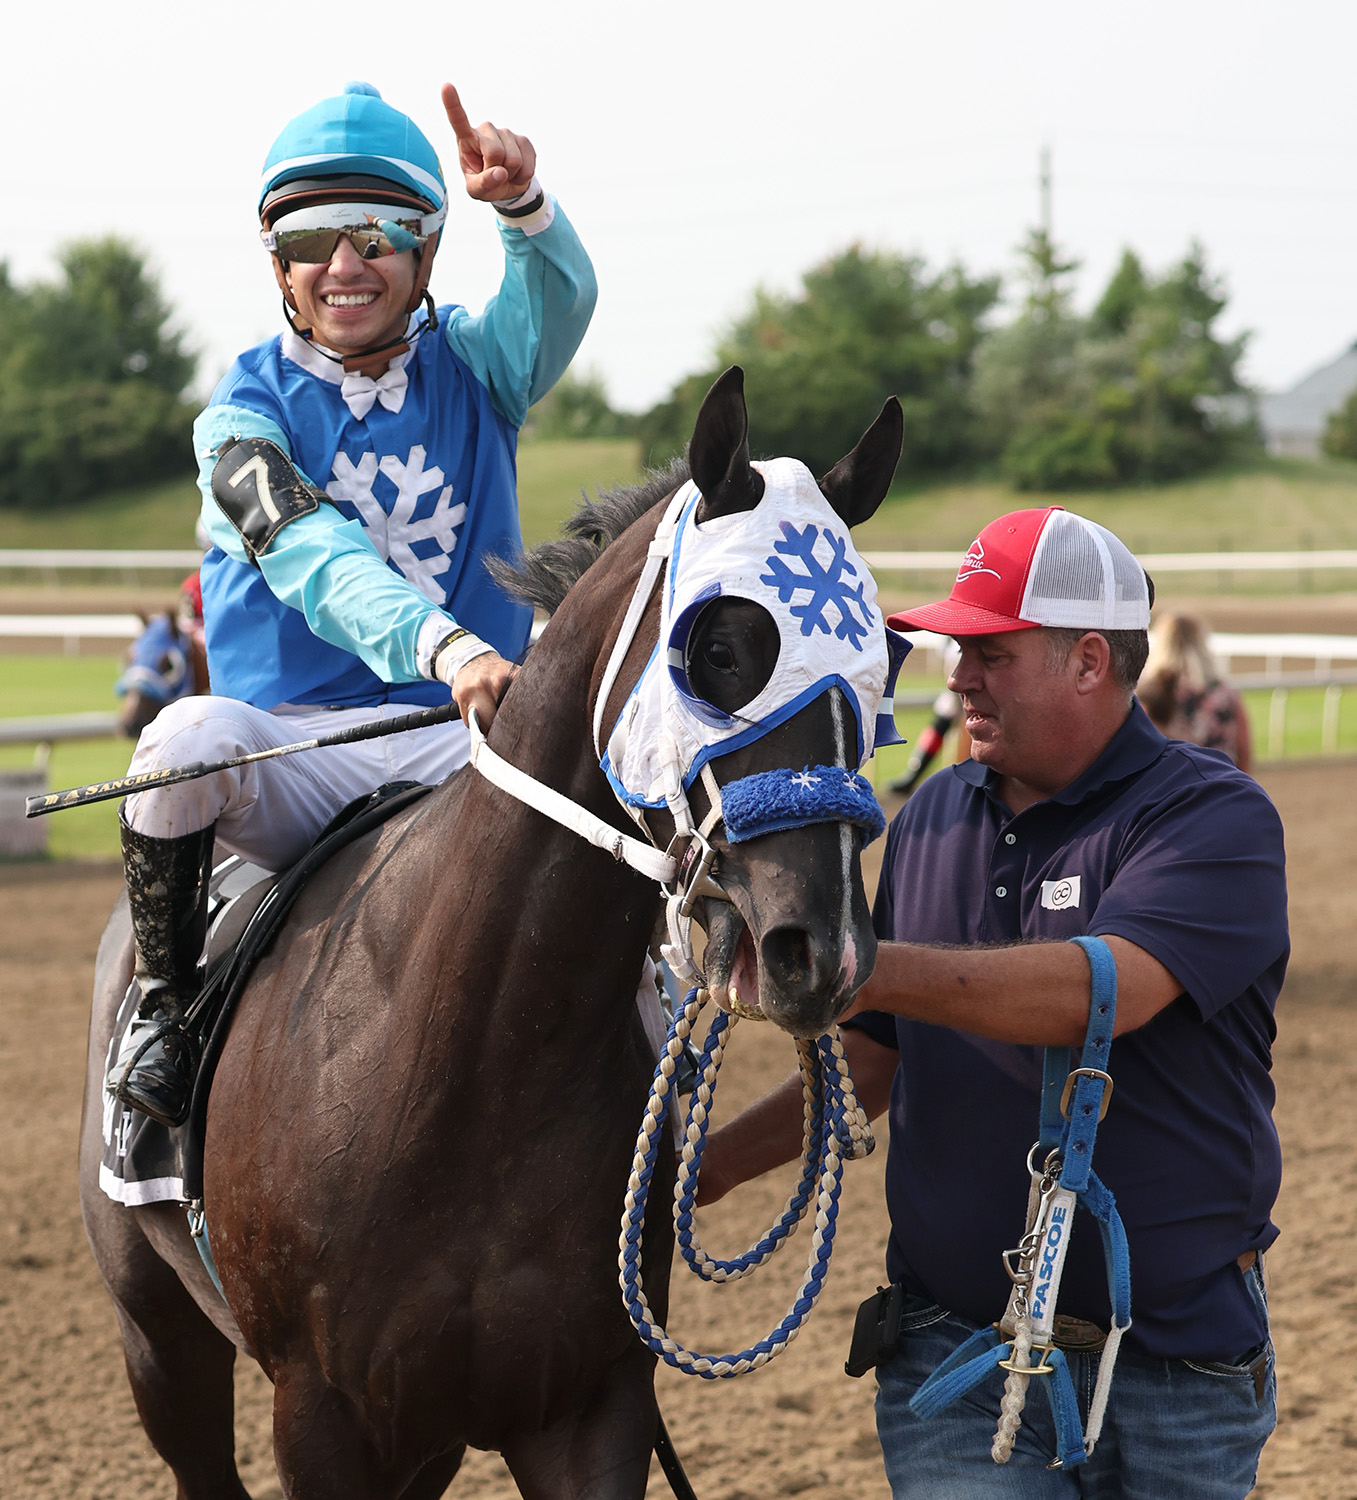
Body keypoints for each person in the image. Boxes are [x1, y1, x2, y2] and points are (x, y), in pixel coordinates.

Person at [700, 506, 1288, 1496]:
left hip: (1178, 1366)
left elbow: (1095, 996)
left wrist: (852, 964)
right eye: (953, 650)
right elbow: (873, 1057)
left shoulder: (1212, 814)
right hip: (955, 1358)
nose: (956, 675)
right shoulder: (929, 813)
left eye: (988, 652)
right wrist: (705, 1169)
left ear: (1090, 661)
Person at [106, 80, 596, 1128]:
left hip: (462, 744)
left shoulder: (479, 363)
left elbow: (558, 305)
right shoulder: (237, 413)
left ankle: (650, 1023)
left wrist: (527, 211)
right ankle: (163, 1007)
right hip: (293, 758)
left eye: (376, 233)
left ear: (423, 251)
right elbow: (310, 553)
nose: (345, 264)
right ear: (277, 262)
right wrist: (447, 641)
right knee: (180, 742)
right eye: (313, 236)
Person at [1139, 611, 1252, 771]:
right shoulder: (1226, 694)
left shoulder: (1149, 694)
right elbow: (1244, 754)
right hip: (1221, 786)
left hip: (1169, 788)